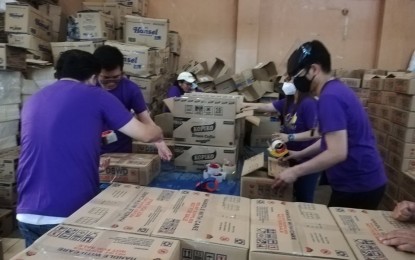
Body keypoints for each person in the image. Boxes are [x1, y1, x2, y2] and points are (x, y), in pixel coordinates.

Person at [16, 50, 163, 247]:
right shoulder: (97, 95)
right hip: (67, 213)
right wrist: (159, 129)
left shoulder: (33, 99)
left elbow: (53, 140)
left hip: (26, 212)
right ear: (94, 77)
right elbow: (147, 135)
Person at [272, 40, 387, 210]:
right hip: (359, 181)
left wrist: (295, 171)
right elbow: (329, 140)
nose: (295, 83)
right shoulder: (335, 90)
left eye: (296, 77)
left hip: (358, 184)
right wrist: (299, 154)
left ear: (313, 70)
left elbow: (337, 152)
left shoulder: (330, 98)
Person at [242, 81, 320, 203]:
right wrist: (243, 104)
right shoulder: (288, 101)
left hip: (307, 158)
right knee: (287, 193)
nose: (286, 83)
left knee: (303, 197)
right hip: (290, 155)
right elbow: (268, 107)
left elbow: (316, 133)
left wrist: (290, 137)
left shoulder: (309, 104)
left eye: (290, 79)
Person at [93, 45, 172, 161]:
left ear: (122, 71)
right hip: (93, 152)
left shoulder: (130, 89)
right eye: (105, 78)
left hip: (121, 152)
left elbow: (145, 119)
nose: (110, 82)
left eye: (116, 77)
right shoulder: (89, 90)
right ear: (95, 73)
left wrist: (160, 143)